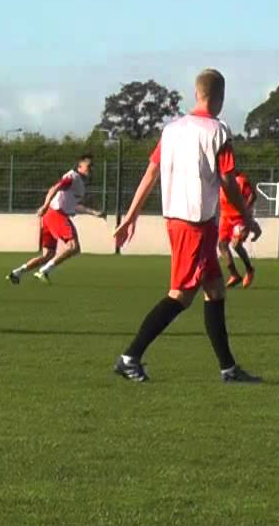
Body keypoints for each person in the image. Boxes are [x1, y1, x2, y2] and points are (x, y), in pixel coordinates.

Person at [110, 69, 263, 383]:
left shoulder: (171, 130)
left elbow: (151, 174)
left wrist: (131, 215)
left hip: (185, 221)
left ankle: (228, 368)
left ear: (196, 94)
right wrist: (247, 217)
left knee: (215, 289)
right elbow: (227, 180)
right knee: (180, 294)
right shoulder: (218, 131)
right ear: (219, 98)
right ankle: (130, 357)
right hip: (194, 223)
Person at [6, 155, 104, 285]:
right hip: (56, 214)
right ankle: (44, 271)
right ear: (79, 167)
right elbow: (54, 188)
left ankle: (16, 273)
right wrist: (45, 206)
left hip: (51, 215)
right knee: (74, 247)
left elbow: (73, 205)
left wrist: (93, 212)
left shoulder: (80, 183)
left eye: (92, 167)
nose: (91, 169)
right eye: (88, 166)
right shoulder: (72, 177)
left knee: (48, 255)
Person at [219, 170, 256, 288]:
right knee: (222, 245)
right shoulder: (218, 178)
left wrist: (246, 209)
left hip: (239, 218)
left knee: (236, 244)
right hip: (225, 217)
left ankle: (249, 270)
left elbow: (252, 195)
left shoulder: (241, 180)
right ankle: (234, 274)